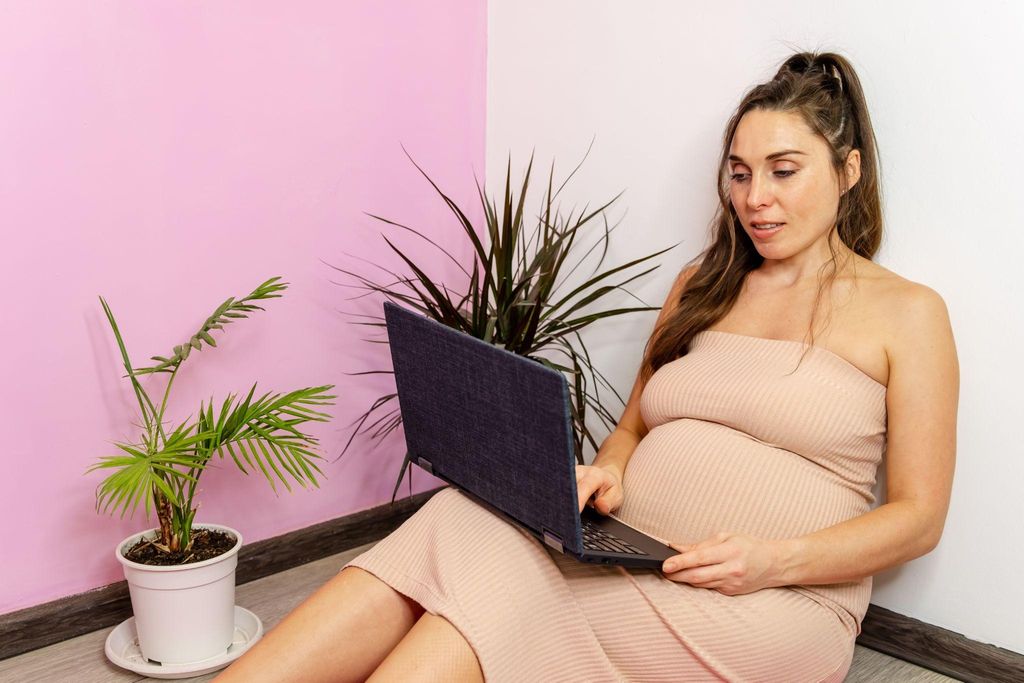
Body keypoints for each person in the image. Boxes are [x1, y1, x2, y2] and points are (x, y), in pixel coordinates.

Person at [215, 51, 958, 683]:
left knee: (505, 589)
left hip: (774, 599)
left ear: (848, 170)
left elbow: (918, 518)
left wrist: (774, 559)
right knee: (457, 520)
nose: (754, 198)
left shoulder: (907, 312)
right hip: (635, 550)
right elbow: (634, 422)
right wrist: (605, 473)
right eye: (739, 174)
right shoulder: (703, 283)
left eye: (783, 171)